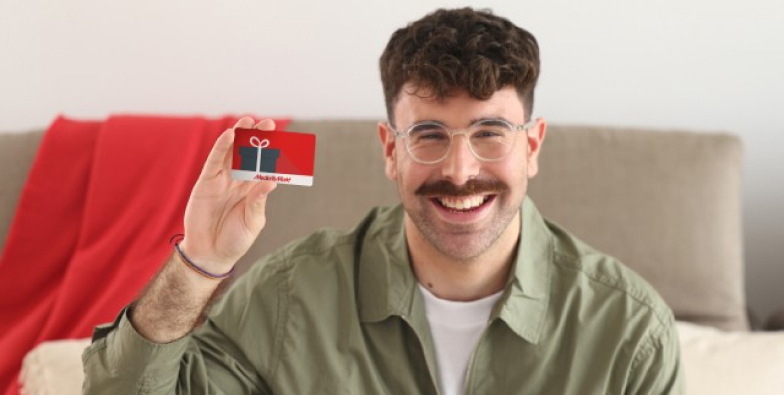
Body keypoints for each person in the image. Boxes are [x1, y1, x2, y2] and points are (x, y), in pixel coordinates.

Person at [83, 7, 683, 395]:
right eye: (427, 135)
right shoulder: (289, 298)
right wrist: (200, 261)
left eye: (490, 134)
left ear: (533, 145)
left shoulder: (630, 331)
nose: (459, 170)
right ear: (389, 150)